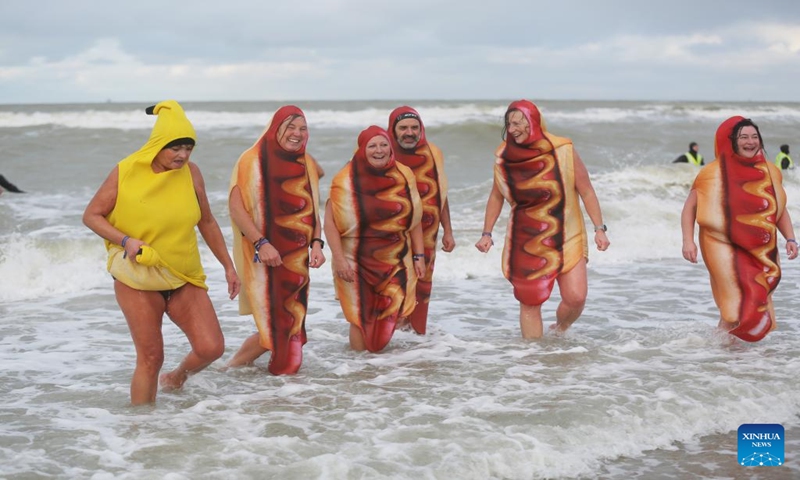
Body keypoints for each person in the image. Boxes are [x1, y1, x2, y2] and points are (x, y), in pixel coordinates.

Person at [83, 100, 240, 405]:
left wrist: (229, 266)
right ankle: (143, 432)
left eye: (188, 148)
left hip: (183, 275)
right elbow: (92, 215)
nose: (182, 155)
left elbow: (206, 221)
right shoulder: (126, 171)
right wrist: (126, 240)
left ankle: (179, 375)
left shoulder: (192, 173)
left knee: (212, 347)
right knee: (151, 357)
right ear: (158, 145)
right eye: (175, 148)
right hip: (137, 278)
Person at [475, 100, 610, 339]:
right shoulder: (504, 157)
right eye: (509, 123)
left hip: (567, 233)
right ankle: (533, 360)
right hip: (526, 237)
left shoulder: (563, 150)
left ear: (533, 121)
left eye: (518, 122)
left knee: (576, 298)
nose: (513, 128)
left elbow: (586, 190)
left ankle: (559, 330)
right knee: (529, 301)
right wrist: (487, 233)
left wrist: (600, 229)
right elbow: (496, 196)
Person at [226, 106, 325, 374]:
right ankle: (240, 368)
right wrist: (262, 242)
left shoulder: (305, 162)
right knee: (274, 320)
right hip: (264, 256)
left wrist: (317, 243)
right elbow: (236, 209)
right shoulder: (252, 159)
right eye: (290, 127)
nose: (297, 133)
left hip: (297, 258)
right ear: (275, 129)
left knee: (290, 319)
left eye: (303, 129)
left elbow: (314, 204)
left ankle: (243, 371)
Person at [681, 116, 798, 342]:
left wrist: (791, 239)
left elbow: (779, 209)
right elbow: (689, 208)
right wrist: (688, 241)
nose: (750, 141)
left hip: (761, 248)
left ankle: (727, 352)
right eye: (743, 137)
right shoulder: (711, 173)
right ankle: (728, 353)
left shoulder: (771, 172)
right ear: (732, 141)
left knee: (756, 298)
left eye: (755, 137)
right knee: (734, 301)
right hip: (720, 245)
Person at [324, 125, 426, 352]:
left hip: (395, 258)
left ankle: (373, 362)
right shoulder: (345, 180)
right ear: (362, 149)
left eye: (383, 145)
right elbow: (330, 223)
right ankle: (361, 368)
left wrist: (419, 255)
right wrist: (339, 259)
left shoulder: (404, 175)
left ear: (391, 148)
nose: (378, 150)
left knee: (393, 313)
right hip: (354, 258)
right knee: (359, 316)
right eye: (372, 146)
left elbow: (415, 219)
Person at [387, 106, 455, 334]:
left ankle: (418, 339)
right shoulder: (381, 152)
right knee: (394, 285)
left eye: (414, 127)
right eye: (403, 127)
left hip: (428, 234)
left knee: (422, 284)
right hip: (391, 236)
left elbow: (442, 194)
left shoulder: (433, 153)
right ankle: (388, 339)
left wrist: (448, 231)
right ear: (393, 129)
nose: (409, 132)